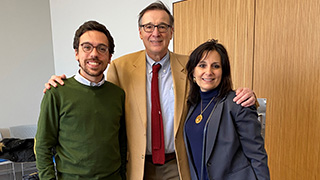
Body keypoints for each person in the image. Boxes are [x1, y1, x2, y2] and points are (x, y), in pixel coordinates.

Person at [44, 2, 256, 180]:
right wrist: (64, 83)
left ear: (172, 32)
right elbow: (100, 98)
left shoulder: (189, 65)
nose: (156, 33)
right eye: (149, 27)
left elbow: (213, 93)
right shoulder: (120, 67)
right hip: (138, 167)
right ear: (140, 32)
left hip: (177, 165)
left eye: (163, 26)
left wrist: (246, 98)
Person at [35, 20, 127, 180]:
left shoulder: (117, 94)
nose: (94, 54)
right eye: (87, 47)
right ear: (76, 53)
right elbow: (43, 145)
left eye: (102, 49)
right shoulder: (56, 93)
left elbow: (121, 142)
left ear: (110, 57)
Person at [184, 39, 270, 180]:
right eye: (202, 65)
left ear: (223, 72)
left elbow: (257, 154)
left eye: (216, 66)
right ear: (193, 72)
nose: (208, 72)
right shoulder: (190, 105)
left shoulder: (237, 103)